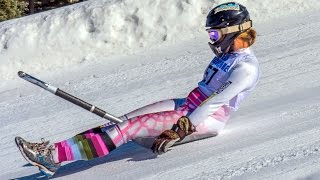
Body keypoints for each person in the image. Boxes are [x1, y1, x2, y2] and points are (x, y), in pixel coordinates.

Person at [15, 2, 260, 177]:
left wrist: (180, 129)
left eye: (215, 33)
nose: (212, 39)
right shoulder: (229, 55)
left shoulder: (245, 68)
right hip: (189, 104)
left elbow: (214, 103)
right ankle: (55, 150)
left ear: (232, 31)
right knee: (122, 121)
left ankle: (53, 157)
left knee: (128, 128)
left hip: (204, 119)